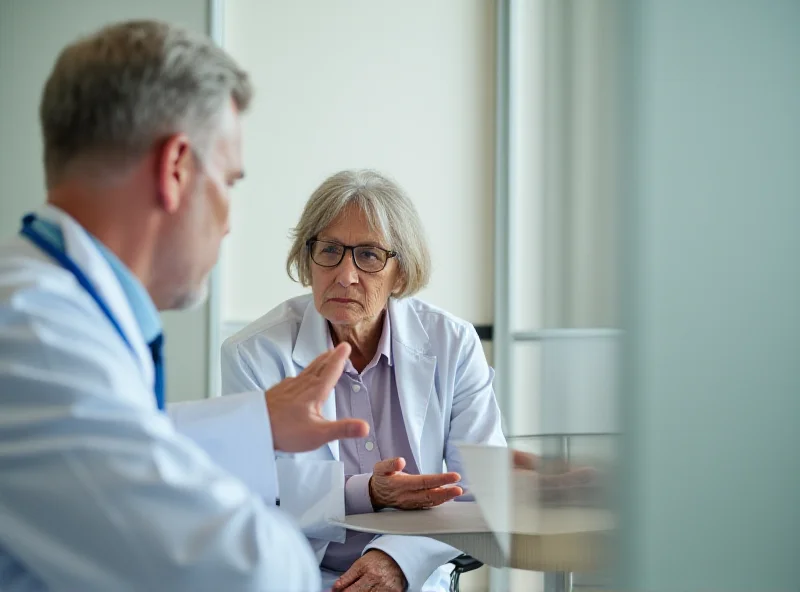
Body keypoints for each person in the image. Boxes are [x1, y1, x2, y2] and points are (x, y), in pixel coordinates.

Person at [0, 20, 370, 592]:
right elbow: (243, 573)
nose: (229, 220)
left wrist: (255, 424)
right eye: (228, 180)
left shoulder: (45, 303)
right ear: (175, 169)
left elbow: (120, 439)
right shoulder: (39, 335)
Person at [221, 169, 507, 592]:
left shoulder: (453, 343)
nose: (345, 274)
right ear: (307, 258)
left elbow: (483, 491)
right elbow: (254, 495)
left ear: (401, 274)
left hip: (414, 571)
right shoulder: (252, 354)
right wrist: (369, 492)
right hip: (298, 574)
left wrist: (396, 559)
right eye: (330, 250)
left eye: (369, 255)